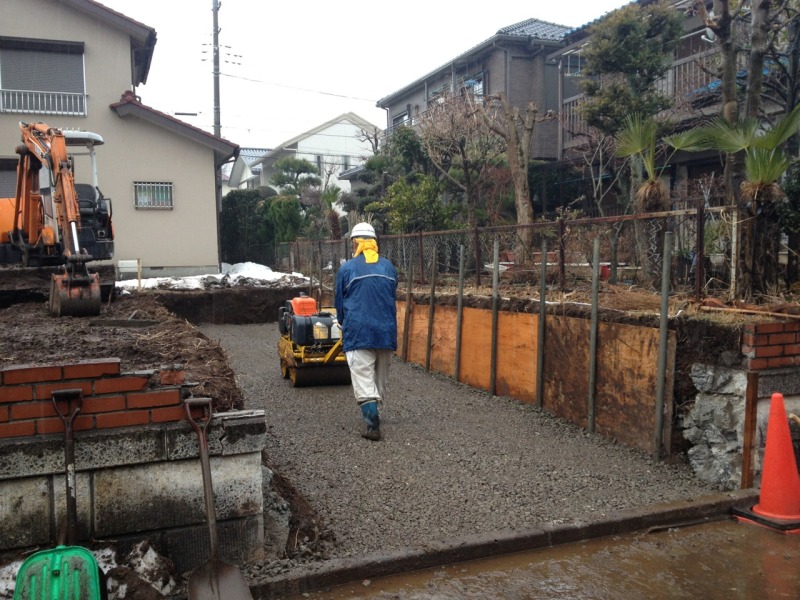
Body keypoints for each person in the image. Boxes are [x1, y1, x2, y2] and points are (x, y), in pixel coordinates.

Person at [335, 222, 398, 441]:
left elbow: (340, 302)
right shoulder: (389, 267)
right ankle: (376, 410)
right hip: (386, 333)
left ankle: (373, 426)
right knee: (380, 379)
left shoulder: (347, 269)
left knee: (363, 378)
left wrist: (343, 323)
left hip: (359, 332)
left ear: (355, 243)